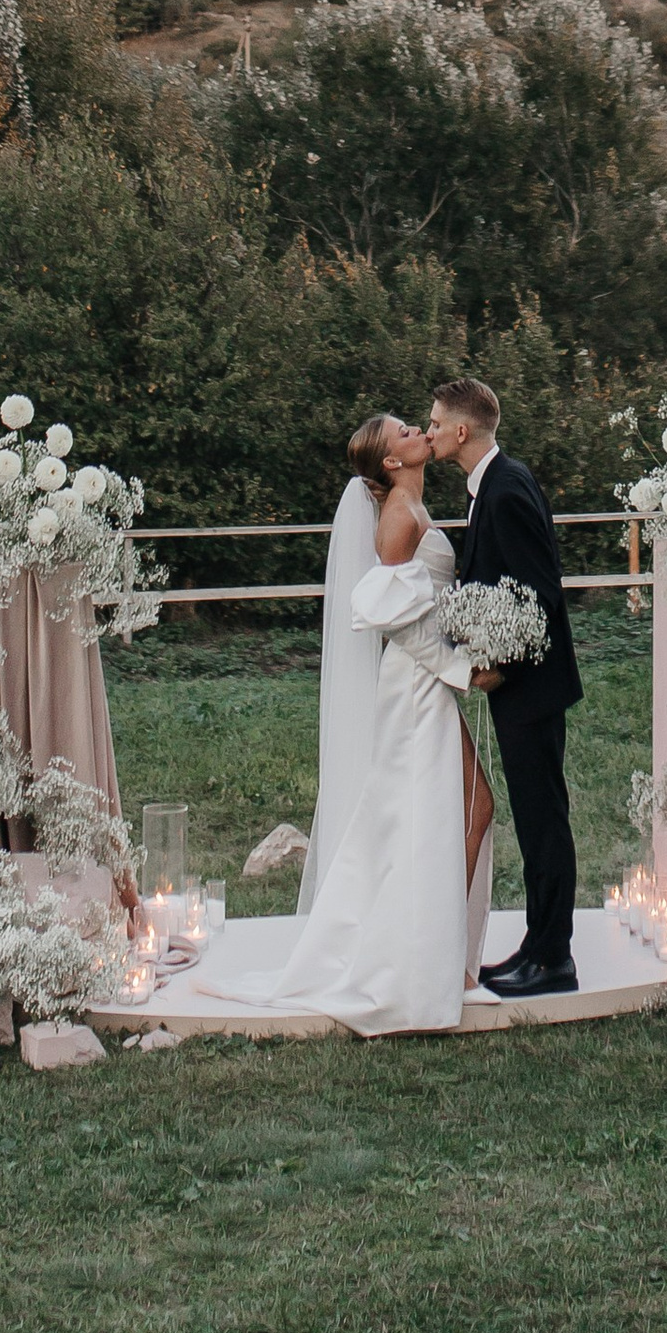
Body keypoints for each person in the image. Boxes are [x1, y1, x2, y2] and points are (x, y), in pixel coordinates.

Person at [169, 414, 493, 1034]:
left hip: (430, 680)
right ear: (391, 462)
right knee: (441, 813)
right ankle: (423, 965)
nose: (417, 431)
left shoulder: (412, 505)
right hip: (417, 685)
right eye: (404, 431)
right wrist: (464, 667)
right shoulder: (399, 515)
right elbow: (392, 617)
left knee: (461, 809)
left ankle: (440, 958)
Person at [428, 376, 582, 999]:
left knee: (544, 821)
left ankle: (553, 960)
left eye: (436, 421)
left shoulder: (507, 487)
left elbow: (539, 597)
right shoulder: (491, 484)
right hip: (523, 685)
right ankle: (538, 947)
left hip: (533, 686)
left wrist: (503, 665)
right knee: (535, 820)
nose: (430, 429)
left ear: (462, 431)